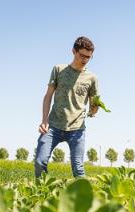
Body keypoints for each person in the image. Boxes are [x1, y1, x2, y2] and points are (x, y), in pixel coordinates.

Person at [34, 36, 99, 178]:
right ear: (73, 51)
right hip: (53, 126)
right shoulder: (59, 70)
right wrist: (44, 121)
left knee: (78, 169)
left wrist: (94, 110)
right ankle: (43, 195)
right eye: (82, 55)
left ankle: (85, 200)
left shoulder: (92, 78)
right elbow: (48, 96)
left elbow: (93, 106)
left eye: (89, 57)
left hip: (77, 129)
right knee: (40, 161)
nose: (85, 60)